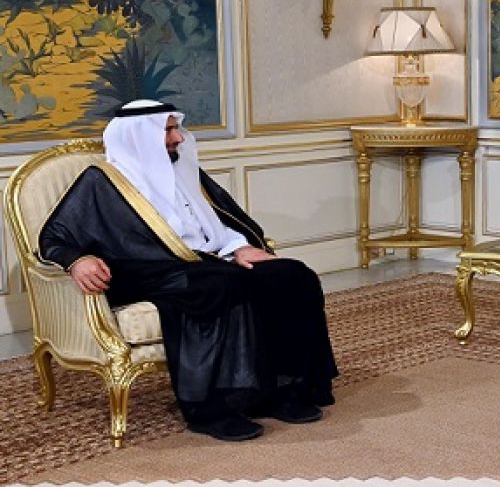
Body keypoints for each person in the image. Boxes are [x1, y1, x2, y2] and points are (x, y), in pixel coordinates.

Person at [39, 100, 339, 442]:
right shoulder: (103, 180)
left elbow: (217, 221)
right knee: (218, 285)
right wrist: (77, 260)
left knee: (293, 275)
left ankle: (281, 390)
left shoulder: (183, 169)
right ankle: (213, 408)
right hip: (149, 271)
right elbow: (53, 236)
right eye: (167, 130)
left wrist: (238, 246)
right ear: (140, 136)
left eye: (176, 128)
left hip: (208, 261)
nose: (178, 138)